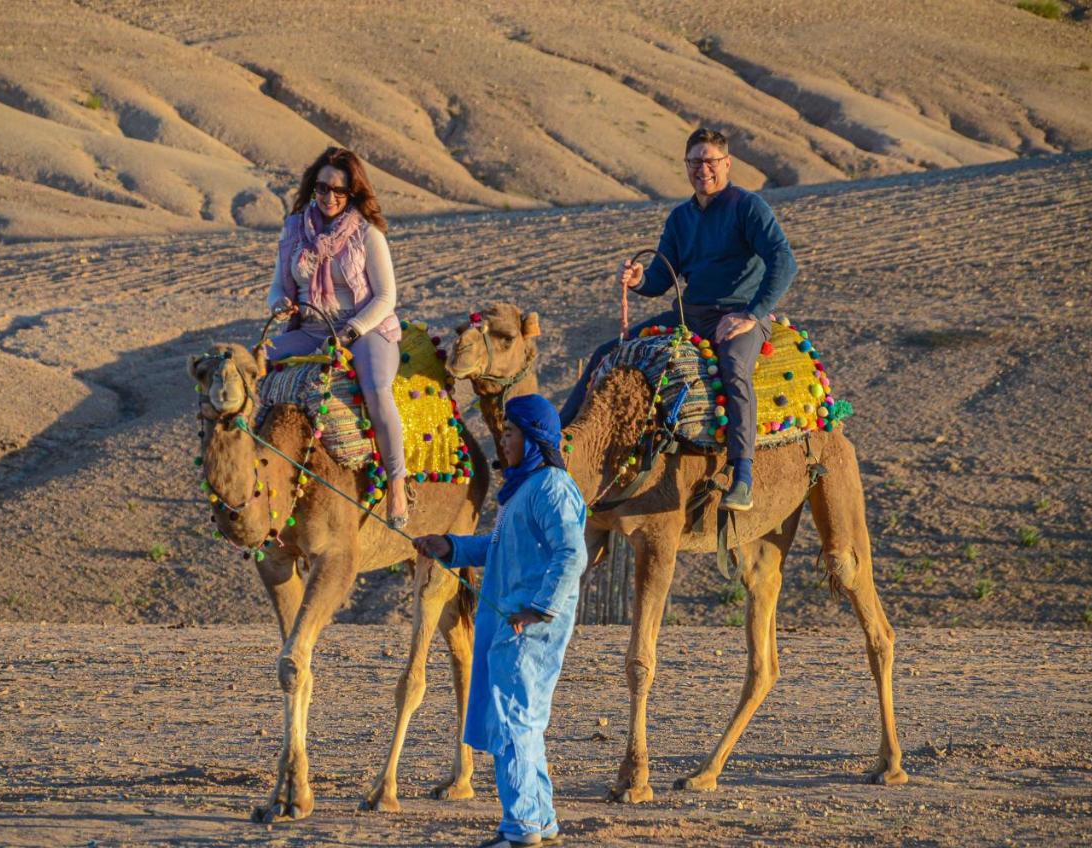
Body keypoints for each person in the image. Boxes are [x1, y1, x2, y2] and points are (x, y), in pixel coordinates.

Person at [559, 127, 798, 511]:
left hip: (740, 315)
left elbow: (785, 263)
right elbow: (660, 279)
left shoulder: (748, 207)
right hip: (690, 315)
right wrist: (639, 280)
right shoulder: (680, 218)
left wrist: (751, 314)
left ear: (726, 163)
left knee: (734, 366)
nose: (703, 169)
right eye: (695, 162)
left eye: (710, 161)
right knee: (609, 352)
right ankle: (556, 444)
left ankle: (743, 476)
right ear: (686, 166)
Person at [413, 395, 587, 848]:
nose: (503, 439)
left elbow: (573, 554)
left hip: (526, 628)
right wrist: (450, 548)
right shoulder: (527, 489)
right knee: (523, 723)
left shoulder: (551, 486)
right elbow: (500, 546)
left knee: (514, 724)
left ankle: (520, 829)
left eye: (510, 432)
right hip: (512, 622)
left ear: (532, 438)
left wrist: (538, 609)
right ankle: (540, 820)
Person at [265, 147, 409, 527]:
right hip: (311, 327)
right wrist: (280, 303)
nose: (329, 197)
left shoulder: (366, 233)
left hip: (364, 328)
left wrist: (353, 330)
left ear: (353, 193)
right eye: (322, 187)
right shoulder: (295, 229)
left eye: (339, 191)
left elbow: (386, 297)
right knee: (254, 363)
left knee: (377, 388)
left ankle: (396, 483)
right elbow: (277, 286)